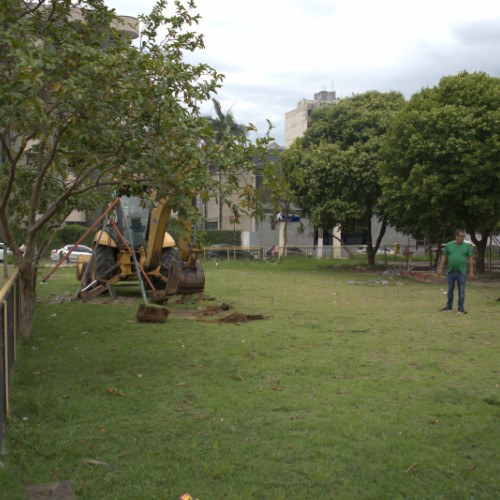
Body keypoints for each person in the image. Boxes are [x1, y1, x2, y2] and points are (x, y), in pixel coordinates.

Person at [437, 229, 474, 314]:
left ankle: (460, 309)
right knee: (450, 290)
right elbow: (444, 257)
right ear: (456, 236)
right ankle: (449, 307)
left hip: (462, 272)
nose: (462, 238)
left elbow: (470, 259)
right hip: (451, 271)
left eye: (463, 236)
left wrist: (471, 272)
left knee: (461, 290)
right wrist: (439, 268)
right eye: (461, 236)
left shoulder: (466, 246)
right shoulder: (449, 245)